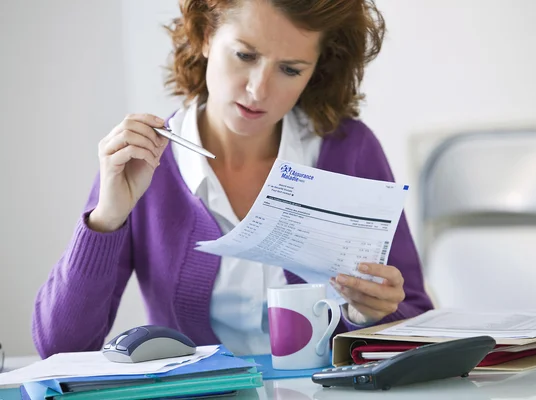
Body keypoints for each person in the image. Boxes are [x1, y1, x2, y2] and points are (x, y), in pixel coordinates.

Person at [32, 0, 434, 358]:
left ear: (315, 71)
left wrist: (367, 314)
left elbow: (415, 318)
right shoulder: (145, 162)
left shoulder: (349, 150)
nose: (258, 89)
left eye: (290, 69)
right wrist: (107, 217)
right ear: (206, 36)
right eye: (244, 55)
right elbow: (61, 348)